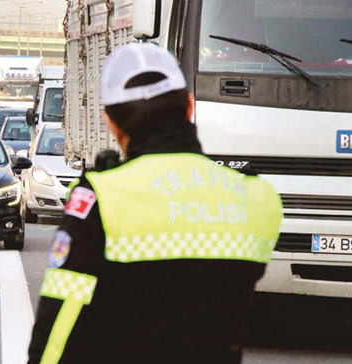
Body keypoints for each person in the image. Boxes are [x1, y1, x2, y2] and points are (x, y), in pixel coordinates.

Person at [27, 43, 283, 364]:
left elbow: (61, 323)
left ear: (111, 123)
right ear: (189, 107)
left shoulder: (101, 197)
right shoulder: (258, 198)